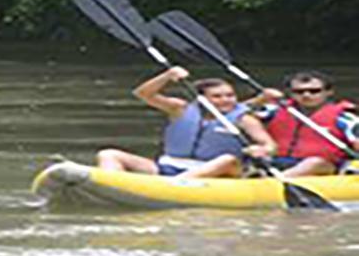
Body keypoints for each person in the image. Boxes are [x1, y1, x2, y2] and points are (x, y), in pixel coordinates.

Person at [95, 67, 274, 178]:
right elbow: (143, 94)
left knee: (227, 159)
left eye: (230, 95)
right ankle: (112, 184)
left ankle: (171, 187)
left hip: (218, 171)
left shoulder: (243, 118)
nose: (226, 100)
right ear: (200, 99)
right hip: (169, 166)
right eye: (217, 96)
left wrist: (261, 150)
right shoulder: (180, 109)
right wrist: (167, 76)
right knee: (109, 154)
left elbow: (269, 145)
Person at [247, 71, 357, 177]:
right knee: (252, 154)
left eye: (314, 91)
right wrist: (259, 100)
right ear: (290, 93)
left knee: (314, 162)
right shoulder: (275, 110)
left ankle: (274, 181)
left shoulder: (345, 118)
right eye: (299, 92)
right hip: (277, 161)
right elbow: (235, 115)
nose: (306, 95)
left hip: (322, 166)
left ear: (329, 92)